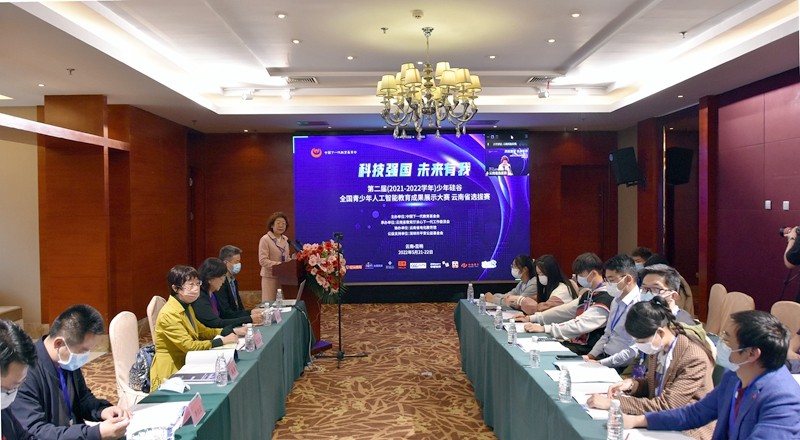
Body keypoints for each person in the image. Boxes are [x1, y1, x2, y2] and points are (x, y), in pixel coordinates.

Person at [625, 310, 800, 439]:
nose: (720, 344)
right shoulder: (734, 376)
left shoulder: (783, 399)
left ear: (752, 353)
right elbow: (694, 414)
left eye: (727, 340)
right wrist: (639, 421)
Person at [586, 297, 715, 440]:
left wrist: (613, 403)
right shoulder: (658, 347)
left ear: (660, 333)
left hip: (689, 430)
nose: (639, 345)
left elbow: (667, 406)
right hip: (661, 422)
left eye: (641, 341)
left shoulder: (693, 357)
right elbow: (654, 385)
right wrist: (632, 384)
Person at [11, 305, 131, 440]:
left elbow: (83, 398)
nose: (85, 356)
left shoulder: (65, 360)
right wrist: (96, 433)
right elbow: (36, 431)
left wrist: (102, 410)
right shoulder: (23, 373)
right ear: (59, 344)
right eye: (83, 351)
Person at [150, 265, 240, 391]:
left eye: (198, 283)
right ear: (176, 288)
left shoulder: (187, 306)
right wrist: (222, 341)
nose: (196, 288)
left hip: (188, 362)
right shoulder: (169, 314)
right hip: (171, 372)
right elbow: (189, 346)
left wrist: (229, 331)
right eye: (191, 285)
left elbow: (202, 331)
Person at [521, 252, 613, 355]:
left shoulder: (606, 297)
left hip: (589, 350)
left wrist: (546, 328)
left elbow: (581, 324)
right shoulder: (588, 294)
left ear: (593, 274)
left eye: (581, 274)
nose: (578, 278)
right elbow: (564, 311)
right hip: (576, 344)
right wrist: (533, 318)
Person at [584, 254, 642, 369]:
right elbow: (607, 334)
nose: (608, 285)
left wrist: (601, 363)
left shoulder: (640, 306)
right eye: (607, 280)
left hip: (623, 365)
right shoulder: (616, 300)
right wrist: (591, 356)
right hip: (604, 358)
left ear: (628, 279)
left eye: (611, 280)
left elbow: (633, 348)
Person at [192, 257, 263, 332]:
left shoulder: (213, 293)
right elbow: (216, 324)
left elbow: (226, 315)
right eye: (221, 278)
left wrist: (250, 313)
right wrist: (249, 319)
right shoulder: (200, 299)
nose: (223, 282)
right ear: (210, 279)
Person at [1, 319, 37, 440]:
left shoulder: (3, 409)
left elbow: (22, 436)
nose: (14, 393)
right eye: (11, 388)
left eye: (19, 385)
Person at [259, 211, 293, 302]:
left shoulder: (285, 240)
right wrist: (280, 265)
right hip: (270, 277)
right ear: (272, 225)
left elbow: (286, 258)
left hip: (284, 277)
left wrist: (292, 262)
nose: (281, 226)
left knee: (283, 304)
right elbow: (263, 261)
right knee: (270, 303)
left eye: (284, 224)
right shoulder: (265, 239)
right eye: (278, 223)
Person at [216, 245, 248, 320]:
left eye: (239, 261)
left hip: (237, 318)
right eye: (236, 262)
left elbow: (239, 306)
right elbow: (226, 313)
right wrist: (249, 316)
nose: (238, 265)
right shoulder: (220, 284)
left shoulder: (233, 280)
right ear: (225, 263)